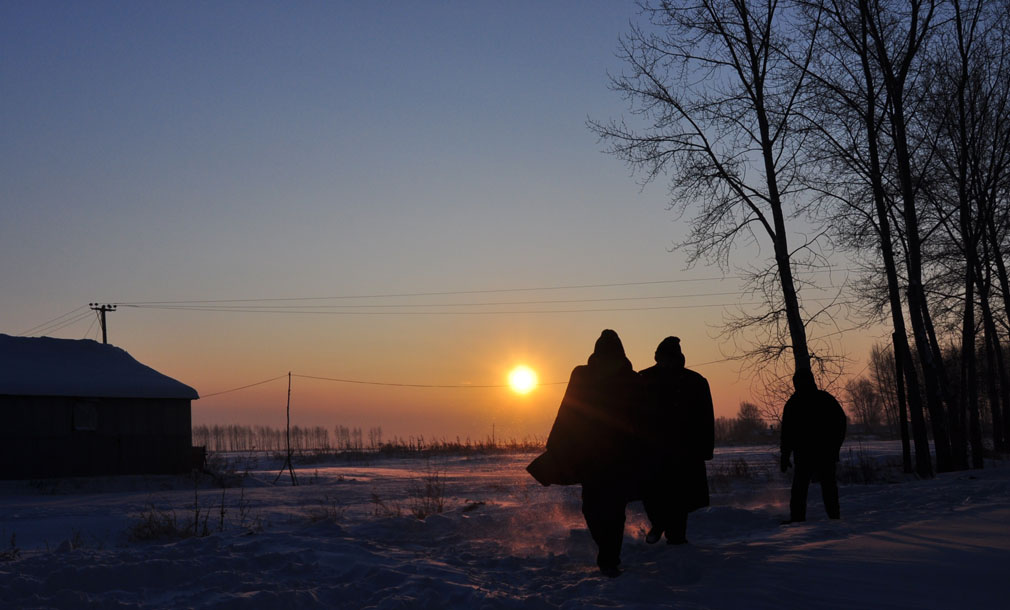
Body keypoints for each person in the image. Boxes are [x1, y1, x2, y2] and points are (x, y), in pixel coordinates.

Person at [526, 329, 642, 577]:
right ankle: (609, 552)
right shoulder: (583, 375)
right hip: (593, 453)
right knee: (598, 507)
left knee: (605, 507)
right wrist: (557, 443)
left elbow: (639, 417)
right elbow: (569, 407)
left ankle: (609, 557)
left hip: (612, 454)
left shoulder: (630, 379)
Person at [638, 336, 714, 545]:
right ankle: (661, 525)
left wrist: (705, 448)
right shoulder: (643, 379)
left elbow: (705, 418)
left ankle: (675, 537)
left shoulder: (694, 381)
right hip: (656, 450)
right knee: (654, 493)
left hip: (680, 451)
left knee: (677, 495)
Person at [779, 369, 847, 523]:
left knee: (801, 489)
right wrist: (835, 447)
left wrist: (785, 455)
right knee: (823, 488)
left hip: (810, 454)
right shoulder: (824, 399)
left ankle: (799, 519)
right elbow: (787, 433)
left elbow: (787, 433)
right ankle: (833, 517)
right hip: (820, 454)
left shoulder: (794, 403)